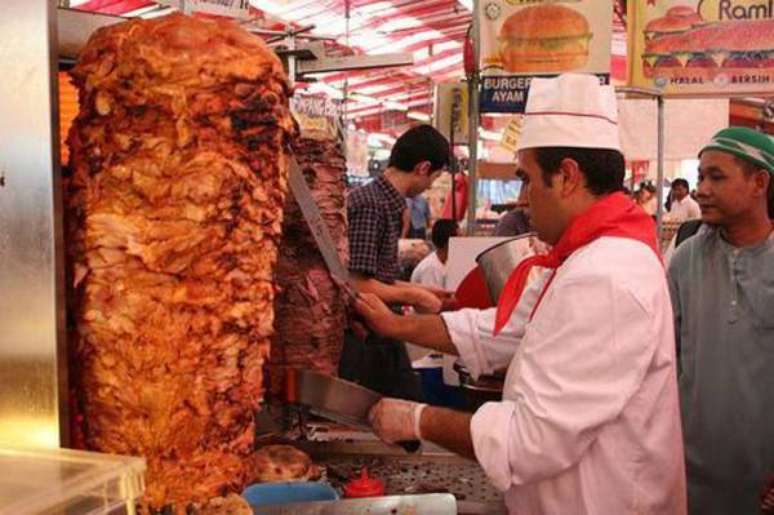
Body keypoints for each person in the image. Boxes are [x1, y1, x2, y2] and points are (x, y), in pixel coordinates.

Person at [356, 74, 686, 514]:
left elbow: (531, 441)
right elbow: (503, 329)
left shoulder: (606, 276)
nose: (523, 198)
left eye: (527, 179)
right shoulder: (581, 257)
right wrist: (396, 324)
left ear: (567, 176)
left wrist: (416, 418)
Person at [667, 127, 774, 515]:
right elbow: (666, 360)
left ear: (759, 182)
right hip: (690, 478)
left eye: (716, 177)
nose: (702, 189)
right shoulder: (684, 260)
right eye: (700, 177)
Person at [340, 124, 453, 400]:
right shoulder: (372, 205)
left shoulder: (386, 203)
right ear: (423, 167)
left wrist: (425, 292)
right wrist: (414, 294)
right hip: (361, 339)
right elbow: (356, 284)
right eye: (434, 177)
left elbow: (377, 276)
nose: (429, 188)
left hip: (378, 330)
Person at [410, 219, 458, 289]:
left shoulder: (446, 261)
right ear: (448, 242)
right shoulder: (431, 268)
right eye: (459, 238)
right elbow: (432, 296)